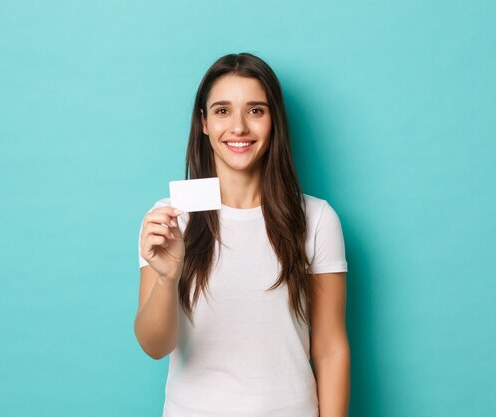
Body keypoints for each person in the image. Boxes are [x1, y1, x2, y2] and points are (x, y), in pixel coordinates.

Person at [135, 52, 349, 417]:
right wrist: (167, 278)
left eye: (255, 110)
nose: (238, 128)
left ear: (273, 121)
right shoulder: (169, 220)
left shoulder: (316, 219)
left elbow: (330, 349)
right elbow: (155, 346)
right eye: (222, 111)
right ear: (203, 122)